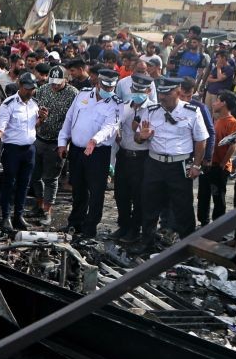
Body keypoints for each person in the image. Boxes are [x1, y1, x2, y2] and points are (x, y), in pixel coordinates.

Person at [134, 78, 208, 251]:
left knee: (183, 207)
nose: (162, 97)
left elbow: (201, 140)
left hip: (179, 166)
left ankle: (188, 246)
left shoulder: (192, 111)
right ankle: (147, 242)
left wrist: (196, 165)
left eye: (167, 93)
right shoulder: (151, 111)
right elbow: (138, 138)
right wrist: (142, 137)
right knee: (149, 204)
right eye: (160, 93)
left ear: (178, 91)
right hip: (155, 164)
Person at [57, 69, 123, 238]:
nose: (108, 91)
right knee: (78, 189)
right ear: (97, 83)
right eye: (105, 87)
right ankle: (75, 223)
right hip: (78, 150)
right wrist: (62, 142)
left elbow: (111, 127)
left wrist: (95, 140)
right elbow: (69, 118)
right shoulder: (83, 95)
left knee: (96, 191)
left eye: (111, 88)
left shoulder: (116, 103)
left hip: (98, 153)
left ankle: (90, 227)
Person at [0, 72, 48, 230]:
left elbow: (33, 125)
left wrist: (41, 119)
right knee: (8, 184)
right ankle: (6, 217)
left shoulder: (34, 104)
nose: (30, 92)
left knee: (24, 184)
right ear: (20, 86)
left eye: (33, 89)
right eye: (27, 89)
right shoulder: (8, 104)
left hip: (29, 149)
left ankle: (19, 215)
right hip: (12, 150)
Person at [30, 65, 78, 225]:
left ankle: (47, 211)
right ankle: (39, 204)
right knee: (35, 175)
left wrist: (67, 143)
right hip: (39, 138)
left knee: (51, 178)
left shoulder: (73, 94)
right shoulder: (43, 89)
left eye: (58, 82)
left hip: (57, 142)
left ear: (66, 79)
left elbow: (74, 120)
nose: (55, 85)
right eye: (53, 82)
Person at [112, 74, 154, 243]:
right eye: (135, 89)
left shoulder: (153, 110)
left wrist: (141, 133)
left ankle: (135, 230)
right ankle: (124, 225)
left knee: (138, 196)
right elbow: (116, 127)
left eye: (141, 90)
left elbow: (154, 136)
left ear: (149, 91)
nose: (137, 93)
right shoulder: (124, 107)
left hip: (141, 158)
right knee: (121, 194)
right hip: (123, 155)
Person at [198, 91, 236, 225]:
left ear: (224, 103)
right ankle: (204, 224)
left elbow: (232, 146)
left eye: (217, 100)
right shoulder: (215, 120)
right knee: (203, 196)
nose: (214, 103)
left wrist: (222, 165)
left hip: (219, 167)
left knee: (218, 198)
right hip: (207, 165)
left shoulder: (232, 122)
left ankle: (217, 227)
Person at [204, 50, 235, 116]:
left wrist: (218, 68)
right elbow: (209, 79)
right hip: (209, 92)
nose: (216, 59)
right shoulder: (216, 68)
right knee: (207, 112)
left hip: (218, 95)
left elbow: (221, 77)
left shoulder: (230, 69)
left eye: (218, 57)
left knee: (216, 115)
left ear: (223, 58)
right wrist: (218, 79)